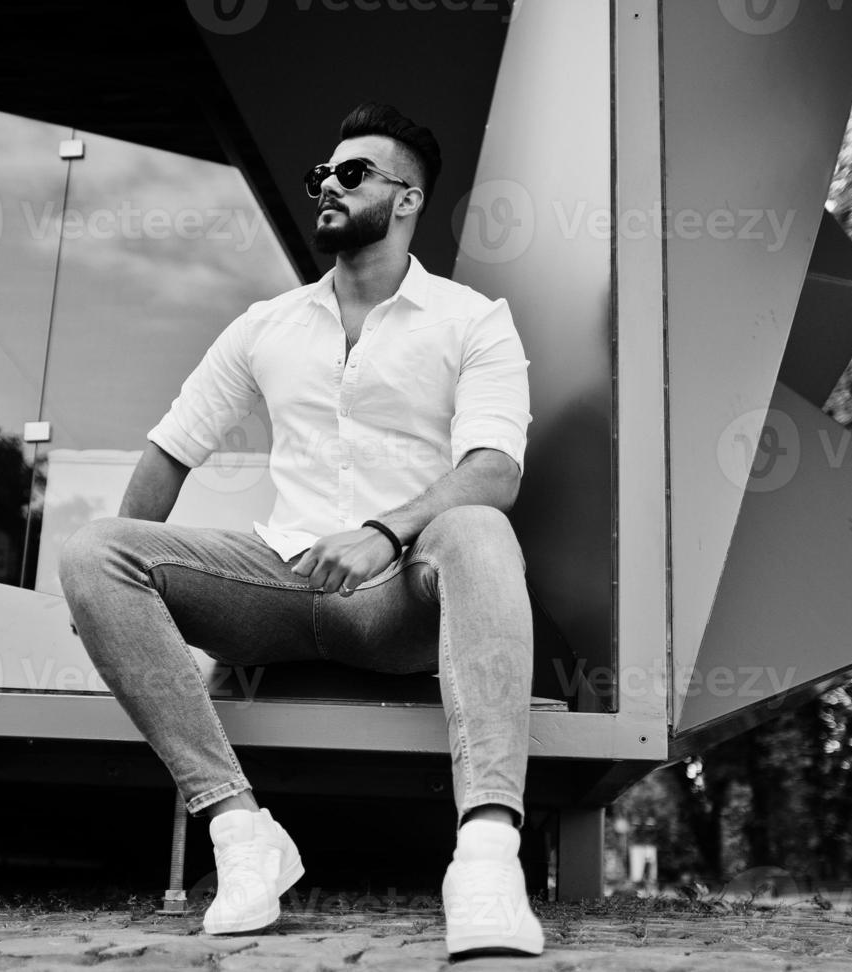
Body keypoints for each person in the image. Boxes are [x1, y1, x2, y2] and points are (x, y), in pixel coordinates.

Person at [58, 101, 544, 958]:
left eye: (352, 172)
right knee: (93, 550)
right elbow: (172, 451)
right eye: (324, 171)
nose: (326, 183)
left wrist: (384, 535)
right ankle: (243, 834)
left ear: (406, 199)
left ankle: (485, 857)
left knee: (477, 528)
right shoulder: (266, 324)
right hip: (279, 586)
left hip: (401, 595)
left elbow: (495, 470)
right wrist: (110, 600)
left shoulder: (474, 318)